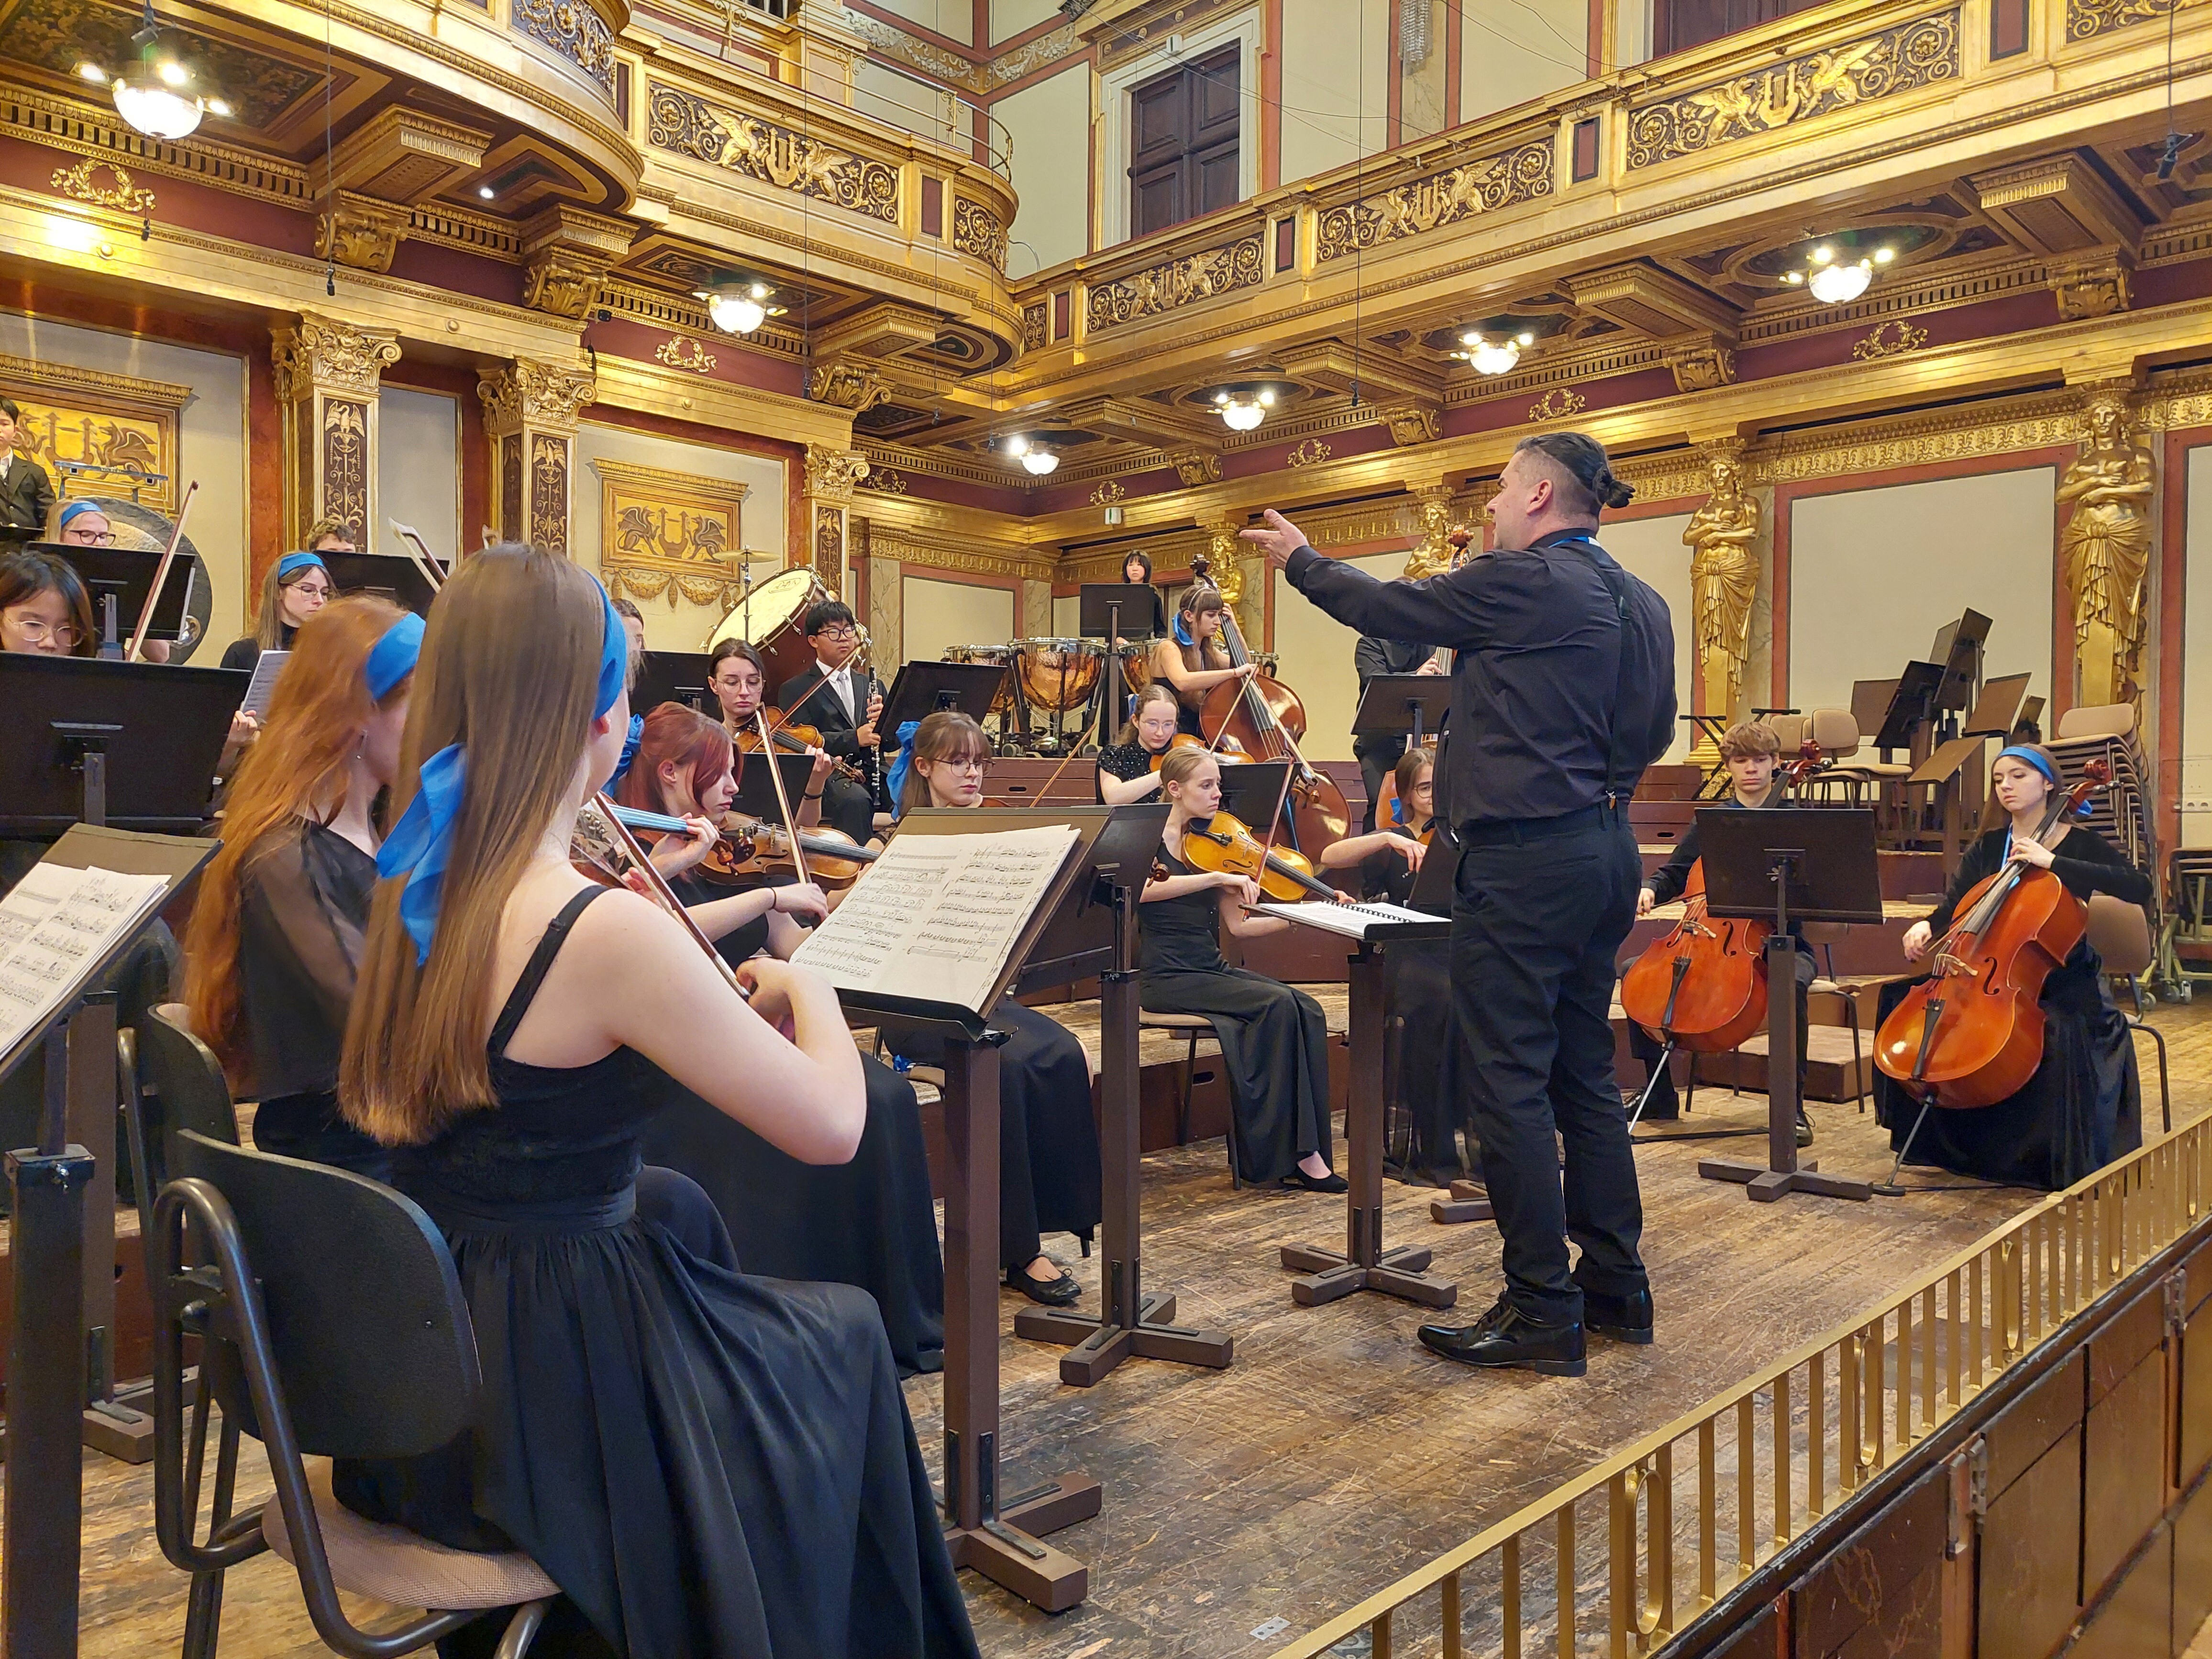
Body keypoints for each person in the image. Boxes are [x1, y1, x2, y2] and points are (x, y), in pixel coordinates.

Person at [333, 545, 978, 1659]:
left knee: (685, 1215)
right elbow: (832, 1125)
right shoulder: (600, 926)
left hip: (428, 1357)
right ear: (596, 722)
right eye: (625, 697)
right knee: (844, 1334)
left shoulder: (414, 883)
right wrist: (811, 990)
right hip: (551, 1391)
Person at [1248, 430, 1675, 1377]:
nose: (1487, 507)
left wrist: (1302, 560)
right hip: (1605, 846)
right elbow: (1651, 729)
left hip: (1524, 860)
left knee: (1507, 1079)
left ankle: (1540, 1305)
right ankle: (1615, 1285)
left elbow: (1389, 606)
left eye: (1499, 489)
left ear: (1537, 497)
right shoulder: (1643, 602)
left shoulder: (1522, 578)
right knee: (1580, 1073)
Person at [615, 701, 948, 1373]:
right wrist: (767, 897)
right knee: (860, 1102)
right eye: (720, 773)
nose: (734, 789)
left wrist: (862, 905)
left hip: (752, 1030)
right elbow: (664, 938)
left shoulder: (731, 852)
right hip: (683, 1061)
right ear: (672, 774)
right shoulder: (634, 861)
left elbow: (795, 948)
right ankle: (805, 1294)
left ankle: (896, 1311)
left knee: (885, 1097)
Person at [182, 597, 420, 1176]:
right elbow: (380, 1026)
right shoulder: (284, 857)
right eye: (423, 702)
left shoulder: (385, 827)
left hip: (403, 1134)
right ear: (357, 713)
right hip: (353, 1162)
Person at [880, 711, 1104, 1304]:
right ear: (924, 766)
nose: (972, 774)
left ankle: (1057, 1216)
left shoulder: (994, 837)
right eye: (958, 762)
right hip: (915, 1004)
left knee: (1062, 1051)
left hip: (979, 993)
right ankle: (1017, 1250)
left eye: (979, 762)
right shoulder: (899, 841)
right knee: (998, 1066)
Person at [1876, 744, 2150, 1190]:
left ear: (2048, 783)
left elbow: (2138, 887)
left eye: (2019, 776)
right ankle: (1941, 1145)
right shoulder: (1990, 846)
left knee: (2058, 1032)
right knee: (1900, 1001)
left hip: (2063, 976)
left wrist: (2053, 863)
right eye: (1999, 779)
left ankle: (2038, 1160)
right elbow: (1956, 904)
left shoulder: (2080, 843)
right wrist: (1927, 924)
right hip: (1989, 967)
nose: (2006, 786)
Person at [1140, 746, 1345, 1192]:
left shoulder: (1215, 847)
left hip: (1208, 968)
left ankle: (1306, 1149)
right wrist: (1219, 878)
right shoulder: (1147, 837)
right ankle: (1280, 1155)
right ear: (1174, 789)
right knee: (1276, 1005)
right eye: (1206, 785)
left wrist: (1303, 917)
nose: (1217, 794)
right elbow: (1140, 890)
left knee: (1307, 1008)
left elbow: (1240, 927)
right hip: (1167, 976)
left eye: (1218, 784)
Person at [1629, 720, 1814, 1145]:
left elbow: (1818, 891)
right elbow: (1677, 873)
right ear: (1728, 766)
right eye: (1741, 760)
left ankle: (1792, 1107)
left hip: (1780, 943)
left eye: (1760, 760)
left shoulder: (1796, 821)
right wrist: (1651, 888)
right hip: (1711, 938)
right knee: (1636, 972)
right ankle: (1659, 1096)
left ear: (1776, 763)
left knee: (1791, 983)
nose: (1751, 769)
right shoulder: (1713, 821)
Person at [1322, 747, 1471, 1185]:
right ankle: (1434, 1149)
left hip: (1456, 945)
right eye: (1424, 788)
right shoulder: (1393, 842)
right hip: (1408, 953)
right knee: (1437, 1001)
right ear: (1405, 795)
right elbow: (1330, 855)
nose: (1433, 796)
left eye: (1439, 786)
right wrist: (1389, 838)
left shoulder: (1460, 837)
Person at [776, 599, 883, 844]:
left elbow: (889, 742)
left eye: (849, 630)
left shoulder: (870, 684)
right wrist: (854, 738)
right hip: (829, 772)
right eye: (834, 632)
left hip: (871, 769)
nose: (844, 638)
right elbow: (801, 743)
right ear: (813, 641)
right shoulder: (795, 689)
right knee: (855, 800)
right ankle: (855, 864)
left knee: (916, 789)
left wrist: (885, 725)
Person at [708, 635, 836, 827]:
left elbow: (805, 829)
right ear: (714, 685)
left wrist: (815, 783)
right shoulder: (705, 746)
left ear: (763, 684)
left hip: (777, 843)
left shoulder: (782, 750)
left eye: (753, 682)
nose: (744, 692)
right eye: (732, 683)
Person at [1352, 634, 1445, 833]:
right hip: (1380, 742)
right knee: (1379, 803)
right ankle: (1375, 850)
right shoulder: (1370, 644)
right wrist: (1415, 678)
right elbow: (1374, 680)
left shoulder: (1429, 645)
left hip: (1421, 738)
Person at [1149, 584, 1253, 737]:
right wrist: (1234, 673)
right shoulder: (1169, 648)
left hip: (1197, 733)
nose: (1218, 622)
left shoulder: (1207, 651)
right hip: (1168, 733)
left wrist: (1234, 626)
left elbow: (1243, 663)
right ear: (1189, 616)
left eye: (1219, 615)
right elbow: (1183, 682)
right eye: (1211, 615)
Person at [221, 550, 334, 672]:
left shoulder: (331, 653)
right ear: (278, 591)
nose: (320, 600)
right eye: (308, 590)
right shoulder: (243, 654)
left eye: (324, 593)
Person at [1095, 681, 1180, 804]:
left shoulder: (1181, 754)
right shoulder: (1115, 755)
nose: (1160, 733)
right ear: (1136, 721)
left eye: (1168, 724)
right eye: (1152, 723)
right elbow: (1113, 797)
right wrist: (1165, 774)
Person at [0, 398, 53, 536]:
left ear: (15, 430)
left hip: (28, 545)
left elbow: (49, 515)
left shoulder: (35, 472)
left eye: (4, 424)